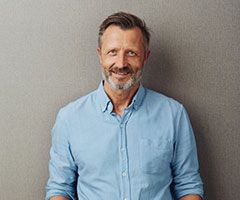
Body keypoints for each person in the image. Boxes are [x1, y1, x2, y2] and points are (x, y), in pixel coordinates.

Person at [46, 12, 204, 200]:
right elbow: (60, 189)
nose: (121, 64)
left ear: (145, 57)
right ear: (100, 55)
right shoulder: (69, 119)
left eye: (131, 53)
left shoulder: (174, 114)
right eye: (113, 52)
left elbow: (188, 185)